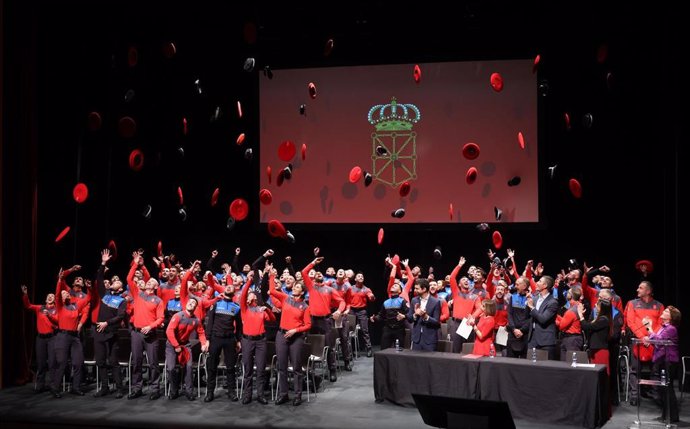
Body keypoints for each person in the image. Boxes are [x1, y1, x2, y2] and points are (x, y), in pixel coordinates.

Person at [237, 253, 277, 405]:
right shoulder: (244, 309)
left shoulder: (260, 309)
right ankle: (247, 395)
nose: (251, 296)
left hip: (260, 341)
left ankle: (260, 395)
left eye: (253, 294)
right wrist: (248, 281)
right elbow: (242, 296)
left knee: (260, 369)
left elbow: (273, 320)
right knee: (247, 370)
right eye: (249, 295)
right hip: (247, 341)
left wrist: (266, 310)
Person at [269, 264, 311, 406]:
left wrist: (295, 331)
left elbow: (308, 325)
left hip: (296, 338)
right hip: (281, 335)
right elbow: (272, 290)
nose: (294, 287)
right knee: (281, 367)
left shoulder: (305, 306)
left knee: (296, 368)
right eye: (294, 286)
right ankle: (283, 394)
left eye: (297, 287)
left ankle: (298, 395)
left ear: (302, 291)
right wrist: (271, 275)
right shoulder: (285, 298)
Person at [126, 251, 165, 400]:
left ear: (156, 286)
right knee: (136, 362)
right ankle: (137, 388)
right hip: (136, 334)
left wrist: (151, 326)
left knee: (153, 364)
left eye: (152, 282)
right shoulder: (138, 294)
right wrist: (136, 263)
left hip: (151, 335)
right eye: (148, 281)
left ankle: (155, 389)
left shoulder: (158, 301)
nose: (149, 282)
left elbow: (161, 318)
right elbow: (129, 278)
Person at [302, 255, 345, 382]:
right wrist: (313, 262)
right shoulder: (311, 286)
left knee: (329, 346)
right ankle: (310, 372)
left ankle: (332, 370)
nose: (319, 274)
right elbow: (303, 272)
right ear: (314, 277)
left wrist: (338, 310)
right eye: (317, 273)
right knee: (309, 345)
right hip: (312, 320)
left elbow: (342, 301)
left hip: (326, 320)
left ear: (323, 277)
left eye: (321, 274)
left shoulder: (330, 289)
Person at [203, 269, 243, 403]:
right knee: (212, 366)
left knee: (231, 367)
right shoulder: (216, 304)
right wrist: (207, 339)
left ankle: (231, 392)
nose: (229, 287)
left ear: (234, 292)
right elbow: (210, 323)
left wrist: (238, 341)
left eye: (231, 286)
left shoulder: (236, 307)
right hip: (215, 338)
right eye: (227, 286)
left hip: (230, 339)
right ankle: (210, 393)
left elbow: (239, 326)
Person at [92, 249, 127, 398]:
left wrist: (107, 322)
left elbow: (121, 316)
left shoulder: (122, 300)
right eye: (113, 281)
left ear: (121, 287)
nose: (114, 282)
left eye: (118, 282)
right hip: (99, 331)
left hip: (111, 333)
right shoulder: (104, 294)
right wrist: (103, 263)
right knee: (100, 361)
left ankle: (119, 388)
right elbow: (99, 279)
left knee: (113, 361)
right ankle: (104, 387)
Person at [625, 280, 664, 406]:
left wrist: (652, 338)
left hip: (653, 343)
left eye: (640, 288)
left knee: (655, 370)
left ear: (648, 291)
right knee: (635, 369)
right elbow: (631, 322)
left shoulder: (659, 306)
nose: (637, 290)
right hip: (638, 341)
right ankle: (634, 395)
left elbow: (661, 323)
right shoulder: (632, 303)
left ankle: (655, 393)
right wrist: (642, 337)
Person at [52, 266, 89, 397]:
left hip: (75, 335)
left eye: (67, 293)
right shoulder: (61, 304)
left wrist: (80, 324)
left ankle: (76, 387)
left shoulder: (76, 305)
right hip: (63, 335)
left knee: (78, 362)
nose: (67, 294)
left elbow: (87, 303)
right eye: (65, 293)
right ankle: (55, 388)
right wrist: (69, 271)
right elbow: (59, 286)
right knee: (62, 363)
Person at [165, 298, 209, 400]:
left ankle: (189, 391)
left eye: (193, 302)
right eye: (189, 301)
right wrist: (176, 346)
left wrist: (203, 343)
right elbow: (169, 331)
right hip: (172, 345)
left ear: (195, 307)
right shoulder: (178, 316)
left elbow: (201, 332)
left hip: (185, 345)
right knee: (171, 368)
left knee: (189, 367)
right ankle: (174, 390)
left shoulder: (196, 320)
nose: (190, 303)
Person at [21, 284, 57, 394]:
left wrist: (50, 317)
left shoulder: (56, 309)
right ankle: (40, 385)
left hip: (52, 338)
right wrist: (25, 294)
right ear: (46, 299)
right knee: (41, 363)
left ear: (55, 299)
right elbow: (28, 306)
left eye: (52, 296)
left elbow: (57, 321)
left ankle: (53, 386)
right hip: (40, 339)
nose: (50, 297)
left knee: (52, 363)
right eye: (48, 296)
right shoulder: (40, 308)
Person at [648, 306, 680, 423]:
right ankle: (666, 415)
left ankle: (672, 416)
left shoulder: (671, 328)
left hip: (669, 361)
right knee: (663, 389)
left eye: (666, 311)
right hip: (662, 360)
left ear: (671, 317)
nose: (663, 311)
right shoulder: (664, 327)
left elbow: (659, 340)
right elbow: (658, 342)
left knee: (667, 389)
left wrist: (650, 329)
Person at [370, 264, 409, 350]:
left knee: (400, 351)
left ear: (399, 291)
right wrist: (375, 318)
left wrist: (404, 316)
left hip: (399, 329)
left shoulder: (402, 301)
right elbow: (381, 315)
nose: (393, 285)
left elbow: (409, 313)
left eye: (396, 285)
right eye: (393, 285)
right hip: (387, 328)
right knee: (384, 350)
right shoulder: (386, 302)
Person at [526, 275, 559, 360]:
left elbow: (543, 319)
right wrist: (528, 304)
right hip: (532, 339)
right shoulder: (535, 298)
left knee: (545, 369)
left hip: (545, 341)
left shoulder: (553, 302)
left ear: (545, 286)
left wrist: (532, 307)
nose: (537, 283)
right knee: (530, 367)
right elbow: (528, 316)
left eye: (540, 281)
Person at [578, 299, 612, 374]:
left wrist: (580, 315)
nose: (595, 306)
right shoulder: (600, 319)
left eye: (597, 305)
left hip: (600, 351)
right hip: (595, 350)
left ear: (602, 308)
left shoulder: (604, 320)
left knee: (600, 375)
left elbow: (587, 326)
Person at [407, 279, 441, 351]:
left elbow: (437, 323)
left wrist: (426, 317)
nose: (415, 290)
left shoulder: (436, 302)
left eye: (417, 288)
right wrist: (415, 314)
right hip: (416, 339)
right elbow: (409, 318)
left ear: (424, 289)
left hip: (429, 340)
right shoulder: (414, 300)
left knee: (429, 362)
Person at [349, 272, 376, 357]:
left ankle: (368, 349)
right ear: (355, 279)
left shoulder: (366, 289)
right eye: (359, 276)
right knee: (350, 331)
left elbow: (371, 297)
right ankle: (351, 351)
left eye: (362, 276)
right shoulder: (350, 288)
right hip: (351, 311)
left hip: (362, 311)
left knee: (365, 330)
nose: (361, 277)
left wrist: (372, 297)